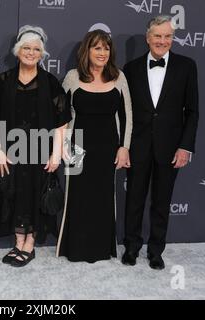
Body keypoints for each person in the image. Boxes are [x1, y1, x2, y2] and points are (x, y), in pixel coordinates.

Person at [0, 25, 72, 267]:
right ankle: (18, 241)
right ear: (17, 51)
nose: (31, 52)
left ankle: (30, 245)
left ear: (42, 53)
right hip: (11, 152)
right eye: (26, 47)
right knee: (14, 194)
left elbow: (61, 123)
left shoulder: (50, 82)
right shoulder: (3, 81)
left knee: (35, 194)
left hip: (41, 152)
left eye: (36, 49)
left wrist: (56, 154)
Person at [122, 15, 199, 270]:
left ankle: (156, 251)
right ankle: (131, 247)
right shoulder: (131, 68)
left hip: (170, 147)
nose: (162, 41)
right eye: (158, 36)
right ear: (148, 38)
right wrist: (124, 145)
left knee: (162, 202)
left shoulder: (186, 66)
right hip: (138, 145)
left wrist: (185, 146)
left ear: (172, 39)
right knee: (134, 199)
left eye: (168, 36)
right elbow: (125, 111)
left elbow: (193, 111)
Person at [56, 30, 133, 262]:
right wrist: (61, 145)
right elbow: (61, 113)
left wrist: (124, 147)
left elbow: (127, 114)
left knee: (103, 197)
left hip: (108, 147)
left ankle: (101, 248)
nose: (102, 53)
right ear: (87, 50)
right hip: (77, 146)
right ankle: (76, 248)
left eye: (106, 48)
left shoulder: (118, 77)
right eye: (97, 47)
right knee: (78, 197)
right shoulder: (72, 76)